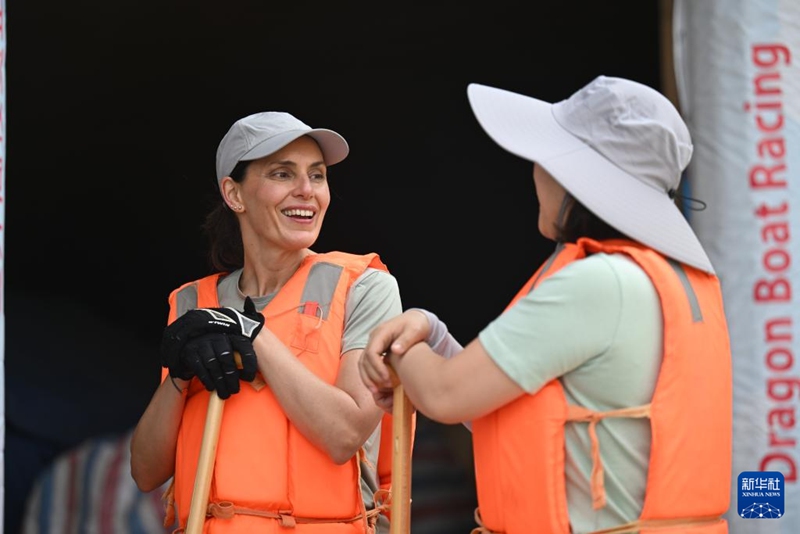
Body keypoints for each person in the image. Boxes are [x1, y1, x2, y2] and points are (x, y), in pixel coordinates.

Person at [358, 76, 733, 534]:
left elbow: (445, 395)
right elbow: (487, 401)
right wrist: (432, 336)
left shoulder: (598, 283)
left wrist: (399, 346)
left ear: (574, 174)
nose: (535, 170)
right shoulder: (670, 280)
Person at [130, 111, 405, 534]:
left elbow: (344, 433)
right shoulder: (191, 302)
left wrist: (252, 337)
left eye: (317, 176)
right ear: (234, 194)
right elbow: (146, 472)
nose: (306, 191)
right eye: (282, 174)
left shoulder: (364, 287)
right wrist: (178, 379)